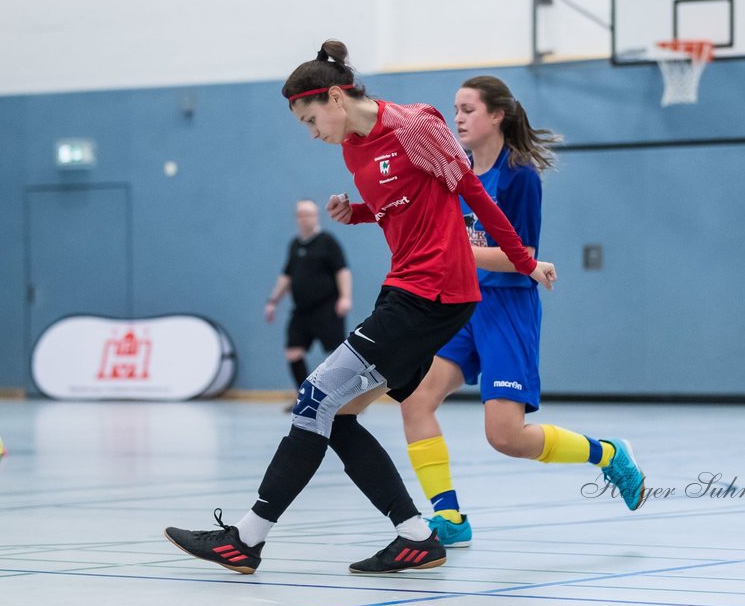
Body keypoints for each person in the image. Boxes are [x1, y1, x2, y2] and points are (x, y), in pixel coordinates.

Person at [165, 40, 557, 575]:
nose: (312, 133)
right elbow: (406, 203)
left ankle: (246, 538)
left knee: (314, 397)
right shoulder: (353, 149)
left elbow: (472, 195)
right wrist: (360, 213)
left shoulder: (417, 125)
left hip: (435, 293)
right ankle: (416, 536)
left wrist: (524, 261)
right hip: (403, 289)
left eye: (311, 119)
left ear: (335, 97)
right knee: (338, 411)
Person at [401, 77, 646, 548]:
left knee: (506, 436)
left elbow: (521, 255)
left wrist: (451, 251)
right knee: (415, 400)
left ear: (497, 115)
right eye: (455, 109)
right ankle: (449, 517)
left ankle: (608, 454)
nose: (458, 119)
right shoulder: (460, 172)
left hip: (507, 308)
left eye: (468, 109)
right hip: (463, 306)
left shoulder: (520, 176)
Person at [264, 199, 352, 409]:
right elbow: (287, 276)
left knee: (337, 354)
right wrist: (273, 301)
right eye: (301, 215)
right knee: (293, 351)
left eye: (309, 214)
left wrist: (345, 297)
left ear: (317, 217)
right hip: (302, 311)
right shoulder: (295, 244)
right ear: (297, 218)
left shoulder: (327, 241)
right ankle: (303, 397)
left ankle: (345, 399)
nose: (305, 218)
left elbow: (343, 270)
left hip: (327, 308)